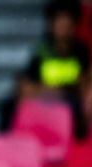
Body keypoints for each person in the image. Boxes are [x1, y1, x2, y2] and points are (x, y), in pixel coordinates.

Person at [25, 0, 89, 138]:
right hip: (45, 97)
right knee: (11, 107)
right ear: (51, 25)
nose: (63, 28)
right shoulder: (42, 50)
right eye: (59, 23)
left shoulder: (80, 50)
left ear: (73, 26)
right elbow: (29, 83)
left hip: (71, 100)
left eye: (67, 24)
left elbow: (85, 82)